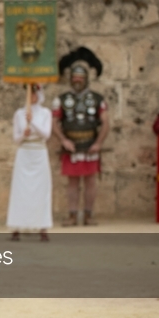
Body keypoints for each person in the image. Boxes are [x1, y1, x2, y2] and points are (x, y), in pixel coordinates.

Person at [51, 60, 109, 226]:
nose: (77, 80)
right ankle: (72, 215)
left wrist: (98, 143)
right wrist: (63, 140)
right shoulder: (61, 99)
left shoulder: (98, 99)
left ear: (86, 79)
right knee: (72, 182)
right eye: (74, 77)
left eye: (80, 77)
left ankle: (88, 215)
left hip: (90, 144)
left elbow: (106, 123)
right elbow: (54, 122)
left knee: (90, 181)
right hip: (71, 146)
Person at [7, 86, 53, 241]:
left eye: (34, 93)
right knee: (21, 189)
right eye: (29, 93)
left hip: (39, 152)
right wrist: (23, 135)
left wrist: (32, 122)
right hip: (24, 152)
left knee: (41, 190)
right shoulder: (19, 114)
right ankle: (17, 226)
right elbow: (16, 138)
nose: (32, 96)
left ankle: (42, 226)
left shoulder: (46, 113)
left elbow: (46, 134)